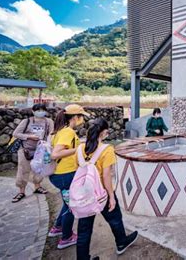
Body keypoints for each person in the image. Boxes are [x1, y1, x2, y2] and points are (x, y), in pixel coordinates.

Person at [76, 118, 139, 259]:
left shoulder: (80, 149)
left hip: (85, 194)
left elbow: (78, 170)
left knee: (84, 230)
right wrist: (111, 197)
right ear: (104, 132)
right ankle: (121, 242)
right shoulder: (107, 150)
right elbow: (106, 177)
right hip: (101, 193)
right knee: (115, 218)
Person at [48, 104, 89, 249]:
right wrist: (78, 148)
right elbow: (56, 154)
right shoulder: (68, 132)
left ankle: (57, 227)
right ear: (75, 117)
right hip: (66, 174)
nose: (83, 120)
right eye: (81, 117)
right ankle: (66, 237)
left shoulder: (59, 131)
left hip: (59, 174)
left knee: (66, 202)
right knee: (71, 206)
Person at [12, 103, 54, 203]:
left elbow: (52, 134)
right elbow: (16, 134)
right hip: (25, 150)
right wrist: (29, 136)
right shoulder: (26, 121)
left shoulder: (49, 122)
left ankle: (37, 187)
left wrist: (48, 145)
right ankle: (21, 191)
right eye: (38, 110)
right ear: (33, 111)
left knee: (39, 169)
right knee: (23, 170)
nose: (40, 112)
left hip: (41, 150)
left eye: (42, 110)